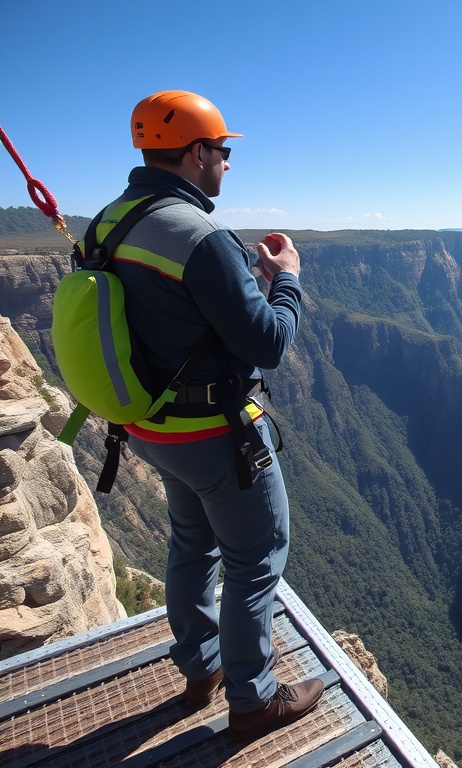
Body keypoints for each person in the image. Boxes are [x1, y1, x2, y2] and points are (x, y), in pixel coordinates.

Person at [104, 90, 323, 738]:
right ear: (197, 152)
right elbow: (271, 344)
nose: (226, 165)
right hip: (214, 437)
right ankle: (253, 699)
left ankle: (200, 670)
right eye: (223, 152)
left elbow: (163, 319)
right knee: (257, 555)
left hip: (146, 429)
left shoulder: (110, 223)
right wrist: (286, 277)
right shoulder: (201, 238)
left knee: (191, 542)